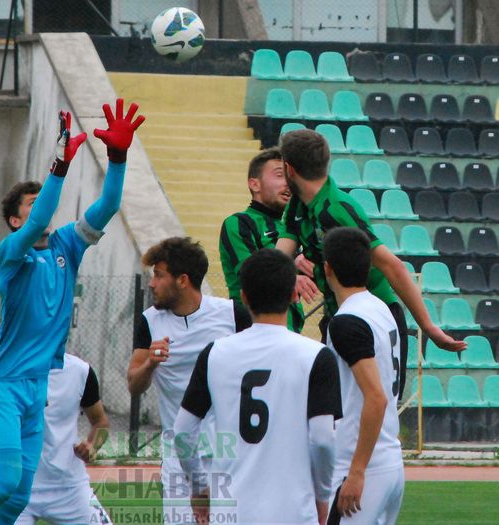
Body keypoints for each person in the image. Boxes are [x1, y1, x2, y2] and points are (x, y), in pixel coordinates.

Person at [0, 99, 145, 525]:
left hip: (34, 386)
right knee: (6, 483)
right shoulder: (11, 254)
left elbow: (109, 205)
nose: (40, 204)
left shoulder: (66, 245)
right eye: (30, 203)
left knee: (18, 492)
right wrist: (58, 168)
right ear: (13, 220)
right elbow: (40, 216)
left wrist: (117, 158)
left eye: (40, 199)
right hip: (0, 383)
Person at [275, 129, 466, 396]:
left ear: (289, 168)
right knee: (336, 405)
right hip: (337, 317)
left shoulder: (337, 208)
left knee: (376, 403)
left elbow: (392, 265)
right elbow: (278, 258)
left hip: (374, 317)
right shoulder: (298, 205)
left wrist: (428, 328)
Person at [174, 249, 342, 525]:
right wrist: (323, 496)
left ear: (244, 297)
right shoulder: (316, 356)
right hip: (293, 512)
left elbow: (182, 432)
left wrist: (199, 488)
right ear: (293, 296)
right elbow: (323, 438)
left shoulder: (215, 353)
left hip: (231, 513)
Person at [127, 237, 251, 525]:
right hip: (179, 455)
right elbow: (134, 384)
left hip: (227, 451)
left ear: (182, 280)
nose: (153, 284)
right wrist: (149, 363)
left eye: (159, 276)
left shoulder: (232, 314)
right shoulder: (149, 322)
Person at [0, 354, 112, 525]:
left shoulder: (81, 371)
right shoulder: (4, 367)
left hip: (71, 488)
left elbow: (100, 422)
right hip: (17, 489)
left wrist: (92, 446)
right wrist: (7, 408)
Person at [323, 228, 404, 524]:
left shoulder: (347, 320)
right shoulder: (381, 308)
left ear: (327, 267)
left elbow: (376, 397)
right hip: (389, 459)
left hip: (362, 466)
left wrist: (356, 472)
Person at [219, 146, 318, 333]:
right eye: (280, 175)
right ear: (254, 184)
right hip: (251, 331)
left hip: (289, 334)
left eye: (290, 177)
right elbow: (251, 275)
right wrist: (290, 277)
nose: (288, 183)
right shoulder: (239, 223)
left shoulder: (292, 227)